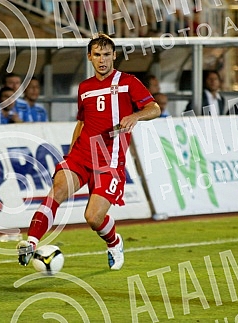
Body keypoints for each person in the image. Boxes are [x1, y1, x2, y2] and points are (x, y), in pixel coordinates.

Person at [16, 33, 160, 271]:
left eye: (106, 54)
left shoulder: (128, 82)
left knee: (93, 218)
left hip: (110, 161)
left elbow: (153, 108)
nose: (102, 60)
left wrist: (135, 116)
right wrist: (71, 152)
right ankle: (31, 242)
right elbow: (82, 122)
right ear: (89, 57)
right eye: (97, 55)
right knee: (58, 188)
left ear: (114, 56)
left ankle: (114, 242)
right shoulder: (84, 87)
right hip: (82, 155)